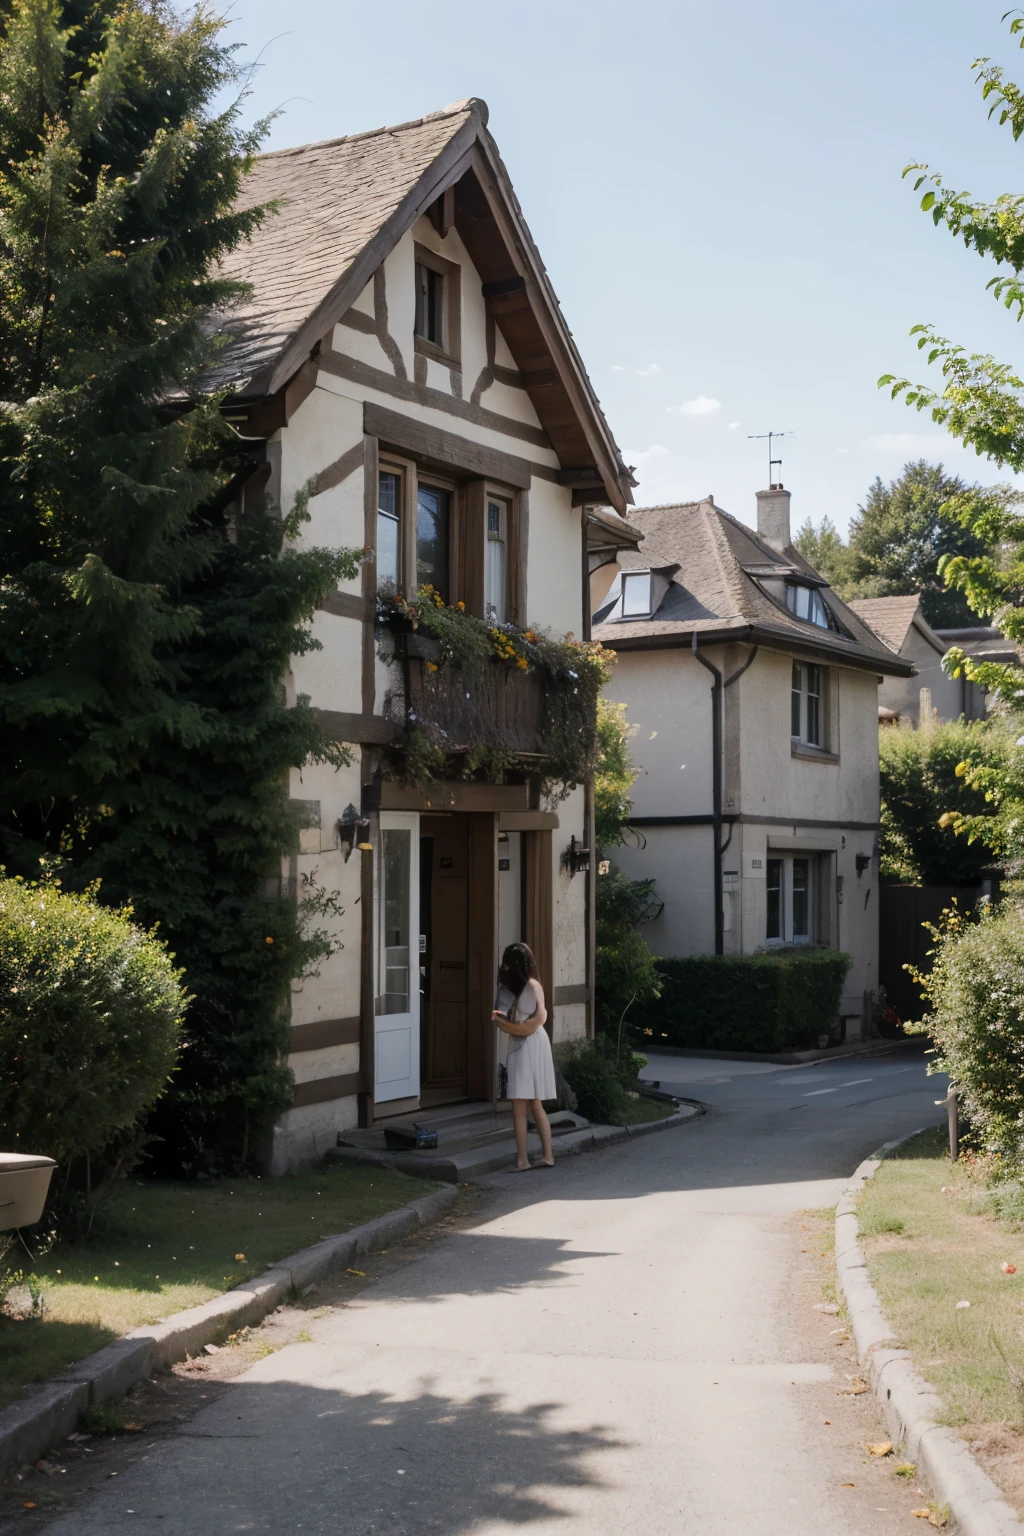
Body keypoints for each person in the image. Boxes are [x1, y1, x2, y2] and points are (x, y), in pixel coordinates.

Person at [492, 941, 556, 1171]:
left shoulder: (518, 989)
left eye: (506, 965)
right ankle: (547, 1155)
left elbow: (514, 1023)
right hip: (537, 1042)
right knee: (536, 1103)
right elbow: (540, 1018)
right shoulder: (534, 985)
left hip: (523, 1045)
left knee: (519, 1105)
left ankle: (522, 1160)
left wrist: (500, 1019)